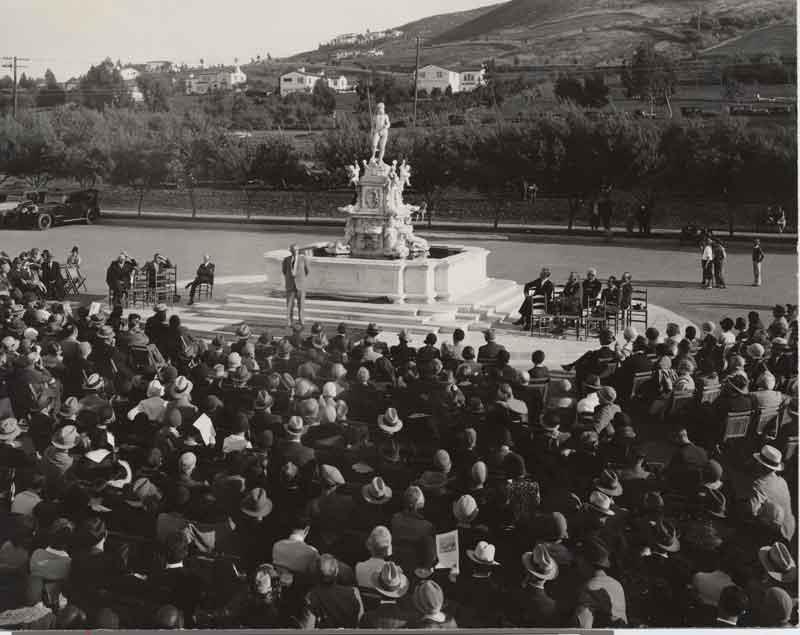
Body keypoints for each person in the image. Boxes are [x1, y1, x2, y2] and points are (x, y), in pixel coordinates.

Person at [282, 244, 309, 327]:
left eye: (296, 250)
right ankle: (289, 322)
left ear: (298, 250)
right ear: (290, 251)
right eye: (293, 250)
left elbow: (307, 271)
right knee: (289, 306)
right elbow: (284, 271)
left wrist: (300, 280)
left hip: (300, 286)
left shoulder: (303, 259)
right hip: (290, 286)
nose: (295, 252)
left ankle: (301, 321)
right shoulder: (286, 259)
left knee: (301, 305)